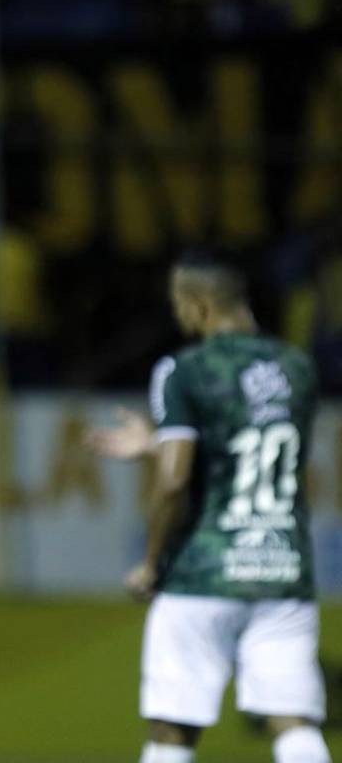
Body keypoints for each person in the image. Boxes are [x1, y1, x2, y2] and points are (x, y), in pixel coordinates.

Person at [87, 250, 330, 763]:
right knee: (293, 723)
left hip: (203, 573)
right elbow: (246, 439)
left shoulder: (184, 369)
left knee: (171, 730)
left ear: (197, 305)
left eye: (179, 305)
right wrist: (155, 441)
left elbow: (175, 481)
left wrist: (152, 563)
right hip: (282, 571)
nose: (178, 316)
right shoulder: (298, 368)